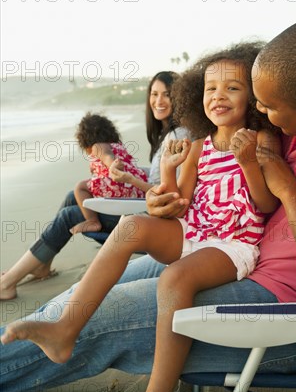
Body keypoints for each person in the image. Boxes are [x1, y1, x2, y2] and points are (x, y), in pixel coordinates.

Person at [1, 18, 296, 392]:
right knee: (84, 293)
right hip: (228, 254)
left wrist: (286, 187)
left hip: (293, 317)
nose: (262, 115)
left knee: (107, 314)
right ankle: (34, 358)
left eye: (268, 108)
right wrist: (164, 201)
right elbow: (215, 186)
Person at [1, 42, 280, 392]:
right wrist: (167, 169)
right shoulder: (198, 147)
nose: (218, 96)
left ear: (254, 95)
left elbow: (267, 205)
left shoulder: (262, 140)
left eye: (232, 88)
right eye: (210, 88)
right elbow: (179, 204)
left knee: (175, 278)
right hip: (194, 229)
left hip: (234, 243)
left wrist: (249, 161)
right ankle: (66, 327)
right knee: (131, 226)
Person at [0, 71, 186, 301]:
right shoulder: (167, 135)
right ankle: (42, 265)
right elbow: (161, 175)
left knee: (71, 215)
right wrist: (136, 174)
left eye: (167, 95)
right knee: (73, 196)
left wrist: (129, 178)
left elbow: (169, 193)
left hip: (155, 217)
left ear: (180, 97)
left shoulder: (178, 136)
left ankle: (7, 283)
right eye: (154, 94)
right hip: (147, 204)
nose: (159, 101)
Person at [69, 112, 149, 235]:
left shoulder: (97, 146)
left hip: (118, 185)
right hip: (136, 190)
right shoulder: (118, 146)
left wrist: (113, 165)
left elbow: (107, 156)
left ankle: (92, 221)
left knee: (80, 187)